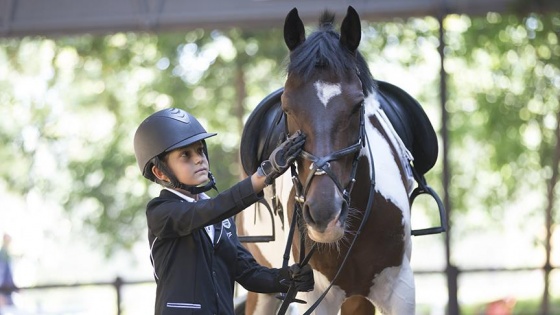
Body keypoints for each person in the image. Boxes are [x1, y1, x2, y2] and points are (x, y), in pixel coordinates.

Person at [133, 108, 313, 315]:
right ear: (159, 172)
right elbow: (208, 211)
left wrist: (288, 278)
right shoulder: (161, 213)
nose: (199, 159)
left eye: (200, 151)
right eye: (185, 155)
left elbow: (247, 273)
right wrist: (262, 176)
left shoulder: (222, 221)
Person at [0, 233, 16, 308]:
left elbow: (9, 274)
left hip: (8, 291)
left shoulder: (7, 255)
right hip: (3, 291)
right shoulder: (2, 254)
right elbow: (2, 273)